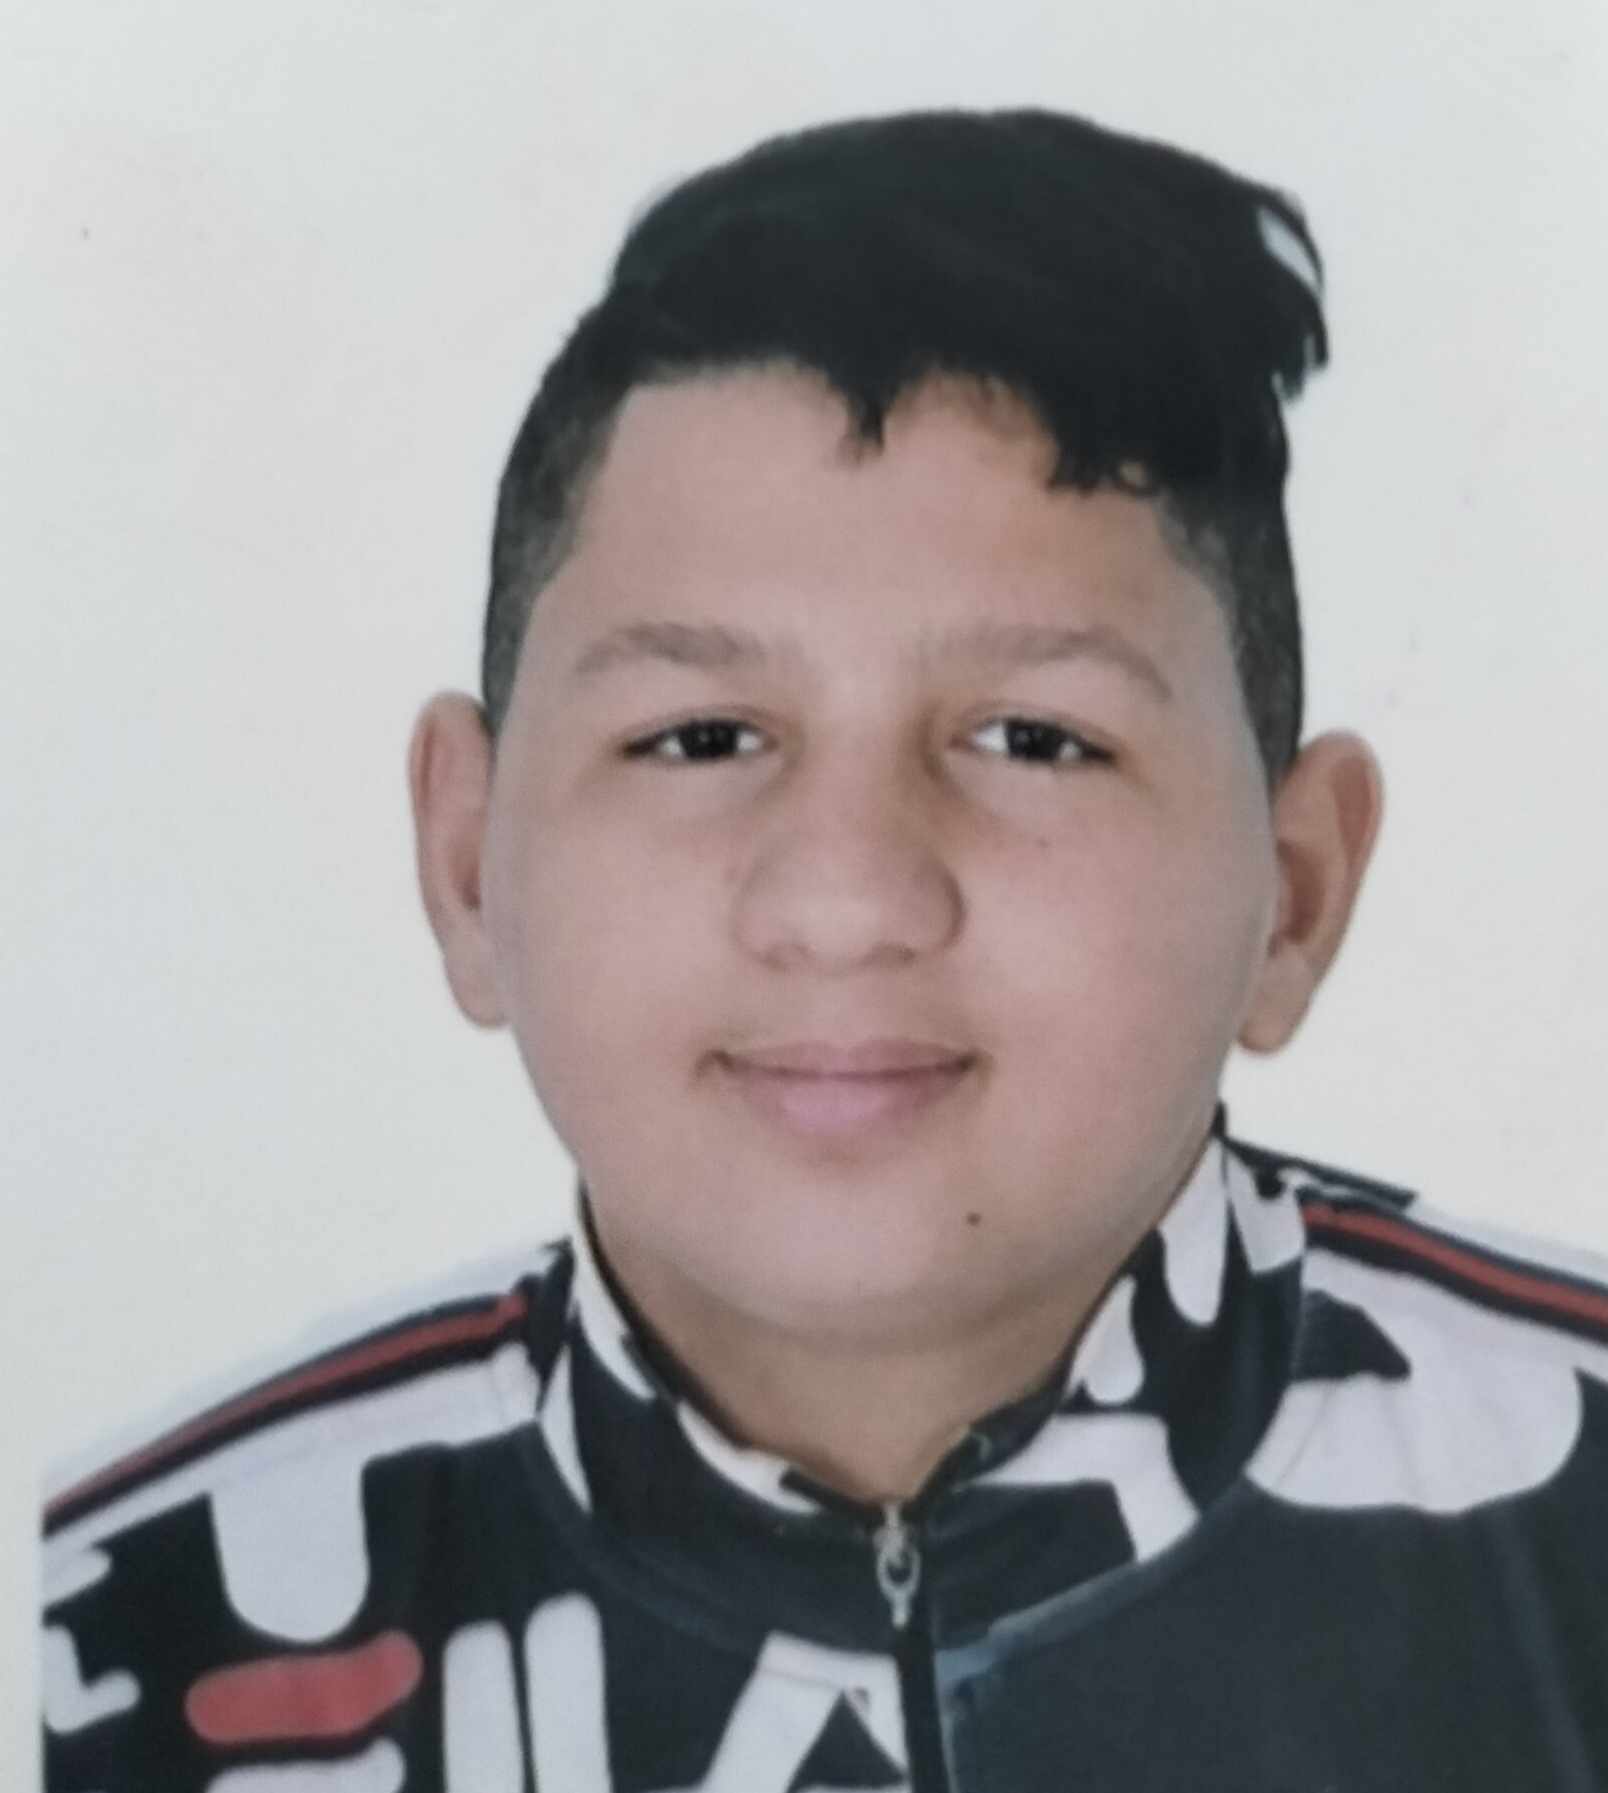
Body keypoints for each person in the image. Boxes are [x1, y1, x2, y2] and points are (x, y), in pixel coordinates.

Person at [40, 106, 1608, 1792]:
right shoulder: (103, 1656)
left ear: (1293, 891)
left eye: (1033, 738)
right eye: (703, 736)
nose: (849, 898)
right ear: (466, 859)